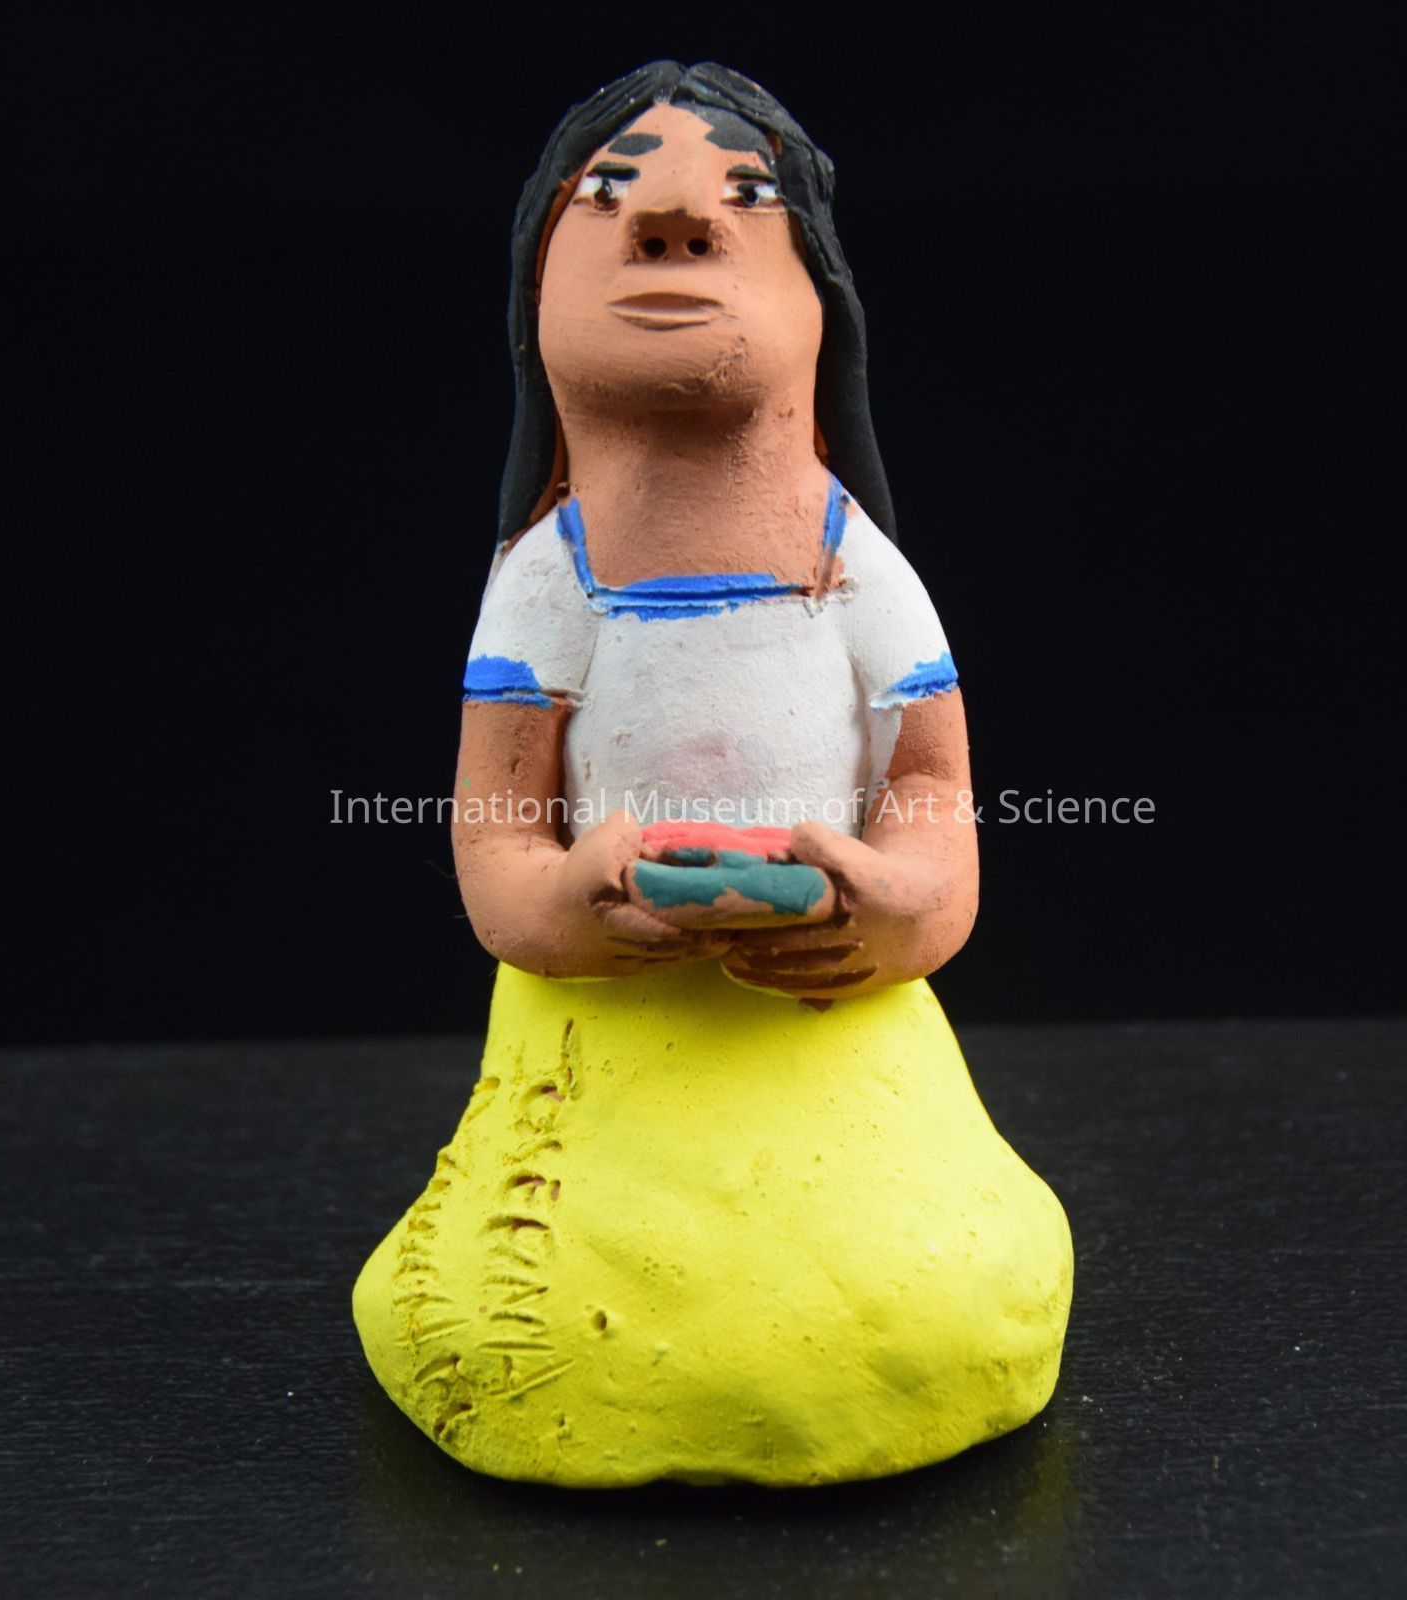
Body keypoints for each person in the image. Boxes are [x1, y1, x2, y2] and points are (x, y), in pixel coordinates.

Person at [352, 62, 1072, 1488]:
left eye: (745, 199)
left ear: (821, 310)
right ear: (535, 310)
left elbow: (931, 789)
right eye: (606, 200)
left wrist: (893, 907)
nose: (673, 222)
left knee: (928, 1295)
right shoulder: (547, 584)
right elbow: (497, 823)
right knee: (514, 1319)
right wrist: (563, 905)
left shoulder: (860, 572)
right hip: (602, 1035)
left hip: (828, 1025)